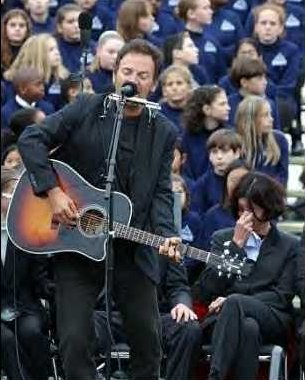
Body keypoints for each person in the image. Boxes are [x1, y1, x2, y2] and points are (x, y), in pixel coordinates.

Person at [17, 38, 181, 380]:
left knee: (149, 341)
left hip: (130, 248)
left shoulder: (164, 131)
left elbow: (162, 192)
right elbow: (31, 139)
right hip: (76, 241)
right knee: (75, 341)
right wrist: (52, 192)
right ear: (115, 72)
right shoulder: (88, 107)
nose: (133, 80)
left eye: (143, 74)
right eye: (127, 71)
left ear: (154, 82)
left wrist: (168, 235)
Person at [199, 171, 300, 380]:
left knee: (236, 303)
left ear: (268, 208)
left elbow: (281, 296)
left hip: (272, 315)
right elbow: (208, 288)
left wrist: (237, 301)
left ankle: (215, 376)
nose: (244, 217)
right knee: (249, 328)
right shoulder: (223, 239)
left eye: (251, 210)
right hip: (225, 321)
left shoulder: (289, 245)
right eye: (240, 209)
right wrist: (236, 246)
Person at [1, 166, 52, 380]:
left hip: (24, 306)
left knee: (30, 332)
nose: (16, 198)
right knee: (5, 340)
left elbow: (40, 277)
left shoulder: (26, 230)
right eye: (11, 193)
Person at [3, 33, 69, 110]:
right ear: (37, 54)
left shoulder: (62, 79)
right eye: (51, 50)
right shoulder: (17, 82)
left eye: (56, 48)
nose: (57, 53)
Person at [181, 85, 231, 188]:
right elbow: (186, 172)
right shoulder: (187, 137)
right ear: (207, 109)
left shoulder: (230, 135)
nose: (228, 108)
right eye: (222, 104)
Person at [235, 95, 288, 185]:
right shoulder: (234, 142)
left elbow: (282, 177)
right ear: (250, 119)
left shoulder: (280, 140)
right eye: (265, 115)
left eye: (270, 114)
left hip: (271, 195)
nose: (271, 119)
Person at [191, 128, 242, 218]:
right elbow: (198, 217)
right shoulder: (201, 185)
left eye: (224, 151)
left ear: (237, 153)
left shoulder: (246, 179)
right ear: (209, 156)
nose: (219, 157)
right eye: (214, 152)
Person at [200, 159, 250, 250]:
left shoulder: (260, 214)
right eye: (233, 180)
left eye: (243, 180)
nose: (238, 184)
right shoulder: (212, 215)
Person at [228, 56, 281, 130]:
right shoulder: (229, 104)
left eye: (265, 78)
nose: (265, 82)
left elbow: (276, 131)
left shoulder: (270, 104)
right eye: (259, 78)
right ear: (244, 82)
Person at [160, 65, 194, 136]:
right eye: (170, 84)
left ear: (189, 87)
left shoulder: (197, 111)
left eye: (179, 83)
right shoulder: (158, 113)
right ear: (164, 91)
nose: (174, 88)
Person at [1, 9, 32, 74]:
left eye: (22, 25)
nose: (17, 29)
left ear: (27, 30)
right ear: (5, 28)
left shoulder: (34, 50)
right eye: (12, 25)